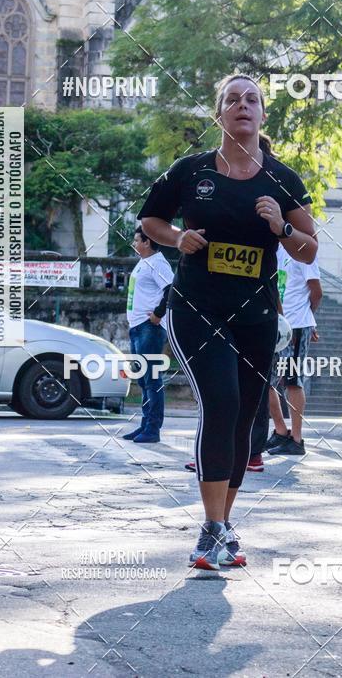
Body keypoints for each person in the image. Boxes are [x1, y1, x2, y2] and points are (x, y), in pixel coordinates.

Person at [138, 74, 317, 569]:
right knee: (221, 401)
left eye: (252, 99)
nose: (242, 105)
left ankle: (224, 523)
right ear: (219, 114)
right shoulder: (189, 170)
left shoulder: (283, 179)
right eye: (232, 99)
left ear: (263, 115)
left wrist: (279, 226)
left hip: (256, 315)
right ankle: (210, 528)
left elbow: (308, 248)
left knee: (243, 417)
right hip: (196, 308)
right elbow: (149, 221)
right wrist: (177, 239)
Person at [263, 245, 322, 456]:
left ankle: (296, 439)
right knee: (265, 380)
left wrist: (308, 319)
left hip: (297, 325)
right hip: (279, 324)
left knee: (293, 381)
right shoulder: (276, 249)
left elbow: (317, 292)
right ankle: (280, 430)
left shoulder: (304, 251)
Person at [123, 227, 173, 444]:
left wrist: (158, 315)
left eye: (137, 240)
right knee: (143, 380)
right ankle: (145, 424)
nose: (134, 244)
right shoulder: (143, 262)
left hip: (149, 328)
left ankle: (153, 428)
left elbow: (172, 289)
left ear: (148, 242)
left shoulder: (158, 263)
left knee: (152, 379)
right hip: (137, 327)